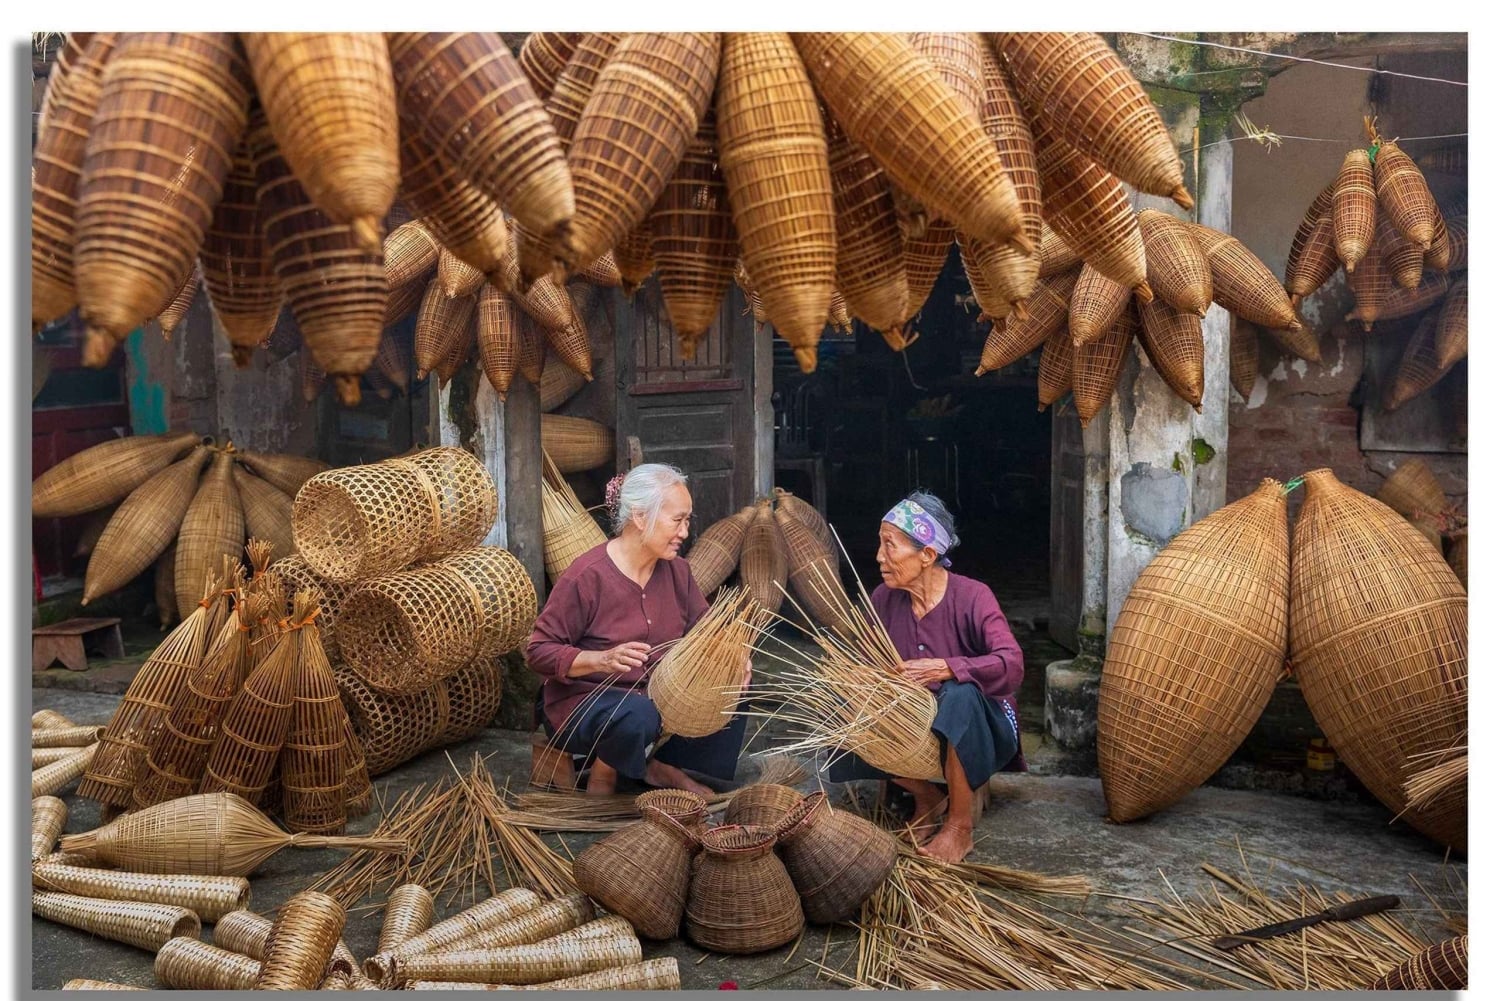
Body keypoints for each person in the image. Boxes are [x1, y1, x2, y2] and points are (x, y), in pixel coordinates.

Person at [526, 463, 750, 797]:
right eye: (677, 520)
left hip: (655, 700)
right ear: (641, 517)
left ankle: (666, 768)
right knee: (637, 713)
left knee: (735, 683)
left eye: (688, 521)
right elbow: (538, 651)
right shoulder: (587, 576)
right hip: (587, 703)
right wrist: (601, 659)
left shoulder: (678, 572)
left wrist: (734, 656)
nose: (685, 532)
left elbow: (708, 632)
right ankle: (606, 770)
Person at [828, 490, 1024, 863]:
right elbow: (864, 661)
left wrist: (947, 667)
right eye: (880, 544)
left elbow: (1011, 664)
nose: (879, 556)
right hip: (910, 723)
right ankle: (926, 796)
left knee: (960, 695)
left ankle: (959, 827)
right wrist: (862, 678)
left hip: (978, 723)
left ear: (927, 555)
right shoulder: (883, 598)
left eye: (890, 545)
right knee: (839, 701)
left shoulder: (973, 596)